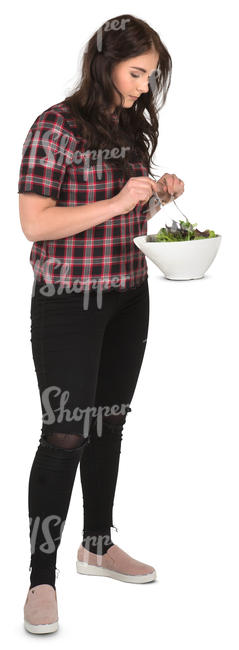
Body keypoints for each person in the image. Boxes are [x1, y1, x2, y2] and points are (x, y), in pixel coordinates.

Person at [18, 13, 184, 634]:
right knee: (66, 434)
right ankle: (40, 578)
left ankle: (96, 544)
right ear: (104, 61)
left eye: (151, 75)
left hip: (128, 296)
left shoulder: (128, 122)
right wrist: (117, 201)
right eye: (137, 72)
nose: (145, 86)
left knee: (108, 424)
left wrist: (156, 194)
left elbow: (120, 216)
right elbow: (36, 223)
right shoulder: (54, 126)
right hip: (66, 300)